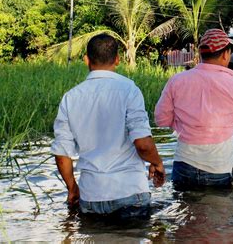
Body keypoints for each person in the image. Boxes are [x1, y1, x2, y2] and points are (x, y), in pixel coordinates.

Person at [51, 34, 165, 218]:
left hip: (91, 197)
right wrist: (157, 163)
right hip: (130, 192)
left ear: (86, 59)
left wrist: (72, 188)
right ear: (118, 59)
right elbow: (143, 144)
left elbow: (62, 154)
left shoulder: (70, 98)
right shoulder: (130, 90)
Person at [154, 29, 233, 189]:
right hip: (218, 169)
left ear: (201, 53)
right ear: (225, 55)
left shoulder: (177, 80)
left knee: (186, 212)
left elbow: (161, 119)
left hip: (184, 165)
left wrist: (184, 126)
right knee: (220, 212)